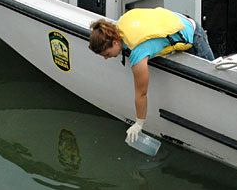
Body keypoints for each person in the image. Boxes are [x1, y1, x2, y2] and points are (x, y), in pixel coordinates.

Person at [89, 7, 214, 143]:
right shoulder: (118, 25)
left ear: (115, 42)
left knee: (212, 83)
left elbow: (141, 94)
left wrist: (139, 124)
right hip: (179, 17)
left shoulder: (138, 52)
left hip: (194, 35)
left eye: (107, 54)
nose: (106, 58)